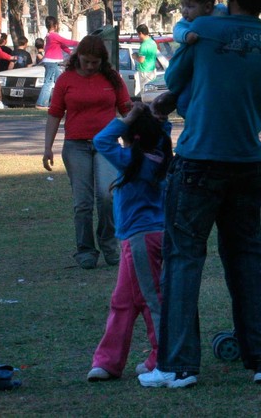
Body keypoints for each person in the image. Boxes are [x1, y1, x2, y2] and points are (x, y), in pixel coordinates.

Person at [139, 0, 261, 389]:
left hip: (200, 159)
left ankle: (177, 365)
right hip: (247, 161)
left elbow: (172, 77)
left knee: (184, 258)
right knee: (246, 258)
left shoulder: (205, 29)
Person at [87, 103, 171, 382]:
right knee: (122, 300)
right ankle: (107, 362)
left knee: (152, 300)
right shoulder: (161, 158)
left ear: (131, 138)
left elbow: (101, 140)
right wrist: (159, 120)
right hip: (141, 239)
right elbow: (160, 135)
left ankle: (164, 357)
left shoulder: (132, 161)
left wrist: (127, 119)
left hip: (140, 240)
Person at [43, 35, 132, 269]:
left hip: (107, 146)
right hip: (76, 146)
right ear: (77, 58)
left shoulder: (112, 79)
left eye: (95, 62)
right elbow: (54, 113)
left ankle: (109, 243)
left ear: (102, 60)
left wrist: (136, 142)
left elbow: (127, 111)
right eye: (86, 62)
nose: (91, 67)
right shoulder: (66, 80)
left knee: (107, 195)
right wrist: (47, 147)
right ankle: (85, 250)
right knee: (82, 203)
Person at [166, 0, 228, 117]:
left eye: (190, 6)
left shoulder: (221, 12)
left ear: (207, 7)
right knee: (184, 101)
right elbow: (177, 31)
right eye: (183, 6)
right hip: (192, 72)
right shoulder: (185, 24)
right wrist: (187, 36)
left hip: (211, 71)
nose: (184, 11)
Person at [36, 16, 78, 109]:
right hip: (52, 61)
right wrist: (80, 43)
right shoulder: (54, 35)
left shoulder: (49, 36)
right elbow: (66, 41)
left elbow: (62, 45)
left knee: (60, 82)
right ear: (55, 25)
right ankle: (41, 103)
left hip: (52, 61)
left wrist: (70, 52)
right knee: (49, 82)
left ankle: (61, 103)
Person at [133, 24, 158, 97]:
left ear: (140, 33)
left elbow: (141, 60)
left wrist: (135, 57)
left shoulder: (144, 45)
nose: (138, 36)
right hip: (152, 70)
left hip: (145, 71)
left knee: (145, 94)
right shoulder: (153, 42)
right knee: (152, 93)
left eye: (138, 34)